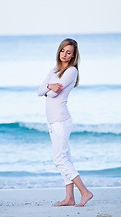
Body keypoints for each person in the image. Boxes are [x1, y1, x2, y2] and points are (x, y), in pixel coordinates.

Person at [38, 38, 93, 207]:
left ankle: (85, 192)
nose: (64, 54)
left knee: (59, 159)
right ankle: (70, 198)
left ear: (73, 56)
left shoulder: (71, 72)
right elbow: (40, 91)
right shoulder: (54, 69)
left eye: (69, 52)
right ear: (59, 51)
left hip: (61, 121)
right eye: (63, 50)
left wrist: (50, 89)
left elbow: (53, 95)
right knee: (65, 158)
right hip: (53, 122)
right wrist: (50, 85)